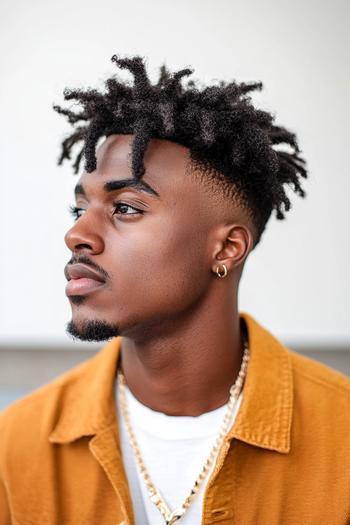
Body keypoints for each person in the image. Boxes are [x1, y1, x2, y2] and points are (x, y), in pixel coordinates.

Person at [0, 54, 349, 525]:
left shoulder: (340, 435)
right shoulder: (16, 445)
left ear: (226, 248)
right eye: (79, 209)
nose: (78, 234)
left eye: (125, 207)